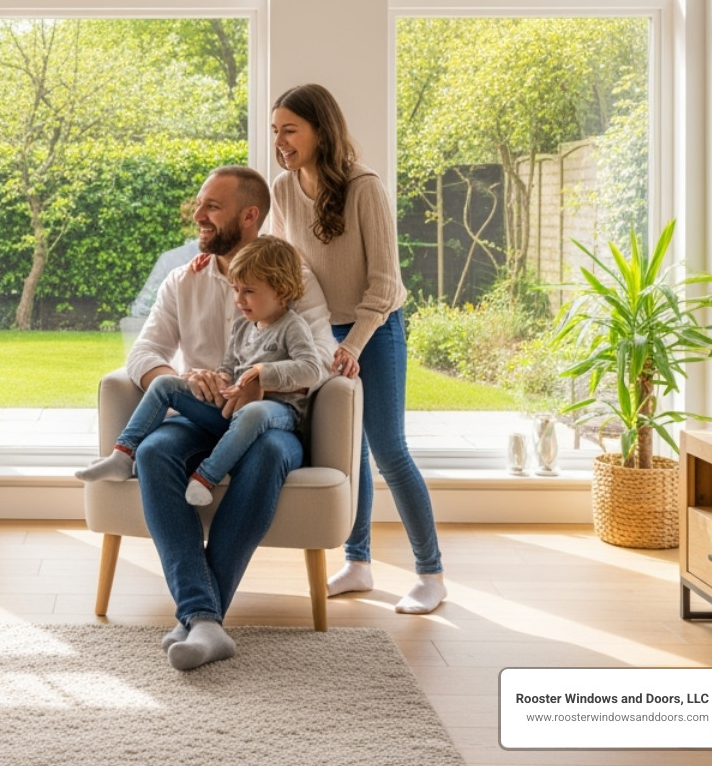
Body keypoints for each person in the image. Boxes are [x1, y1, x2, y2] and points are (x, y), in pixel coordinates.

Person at [118, 166, 336, 671]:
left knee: (264, 456)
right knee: (153, 452)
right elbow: (144, 352)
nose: (198, 216)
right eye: (200, 205)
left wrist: (266, 378)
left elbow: (321, 358)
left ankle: (197, 617)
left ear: (249, 215)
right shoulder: (183, 279)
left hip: (269, 422)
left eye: (211, 207)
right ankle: (206, 621)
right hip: (201, 418)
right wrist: (183, 378)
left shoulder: (291, 277)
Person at [267, 84, 446, 614]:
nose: (280, 140)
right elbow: (282, 262)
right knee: (348, 454)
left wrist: (356, 344)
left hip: (377, 326)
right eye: (275, 130)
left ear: (321, 130)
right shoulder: (282, 188)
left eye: (290, 129)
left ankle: (431, 573)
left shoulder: (365, 188)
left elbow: (385, 284)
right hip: (323, 333)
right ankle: (359, 563)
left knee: (388, 449)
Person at [76, 235, 326, 510]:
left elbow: (311, 369)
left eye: (248, 291)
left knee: (254, 412)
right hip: (232, 409)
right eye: (235, 289)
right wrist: (219, 379)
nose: (239, 299)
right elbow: (228, 368)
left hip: (277, 412)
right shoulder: (243, 326)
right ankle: (123, 456)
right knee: (165, 385)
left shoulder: (293, 326)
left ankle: (206, 477)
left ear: (280, 290)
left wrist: (261, 373)